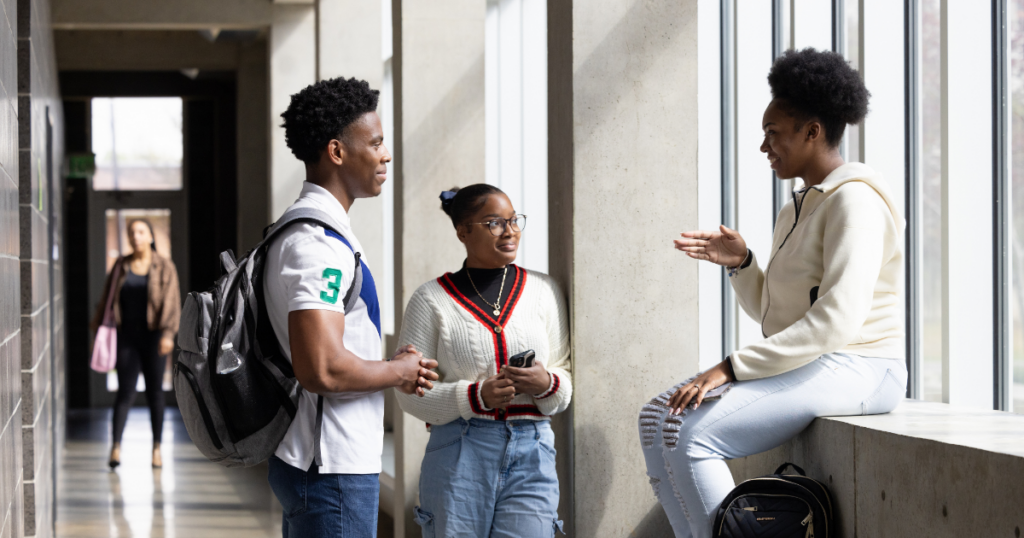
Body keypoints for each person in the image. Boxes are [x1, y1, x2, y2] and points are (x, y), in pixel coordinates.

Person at [638, 48, 906, 538]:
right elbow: (775, 315)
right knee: (655, 416)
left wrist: (728, 367)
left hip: (862, 365)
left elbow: (835, 321)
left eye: (773, 134)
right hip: (821, 361)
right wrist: (742, 263)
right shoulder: (798, 207)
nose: (765, 146)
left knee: (689, 433)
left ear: (812, 131)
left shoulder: (857, 202)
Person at [264, 76, 439, 538]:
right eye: (376, 143)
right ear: (337, 152)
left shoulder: (310, 230)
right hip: (331, 469)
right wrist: (399, 371)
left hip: (317, 462)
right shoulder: (316, 243)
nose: (385, 155)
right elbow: (321, 368)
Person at [395, 184, 572, 538]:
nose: (509, 231)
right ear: (463, 232)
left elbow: (563, 376)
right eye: (494, 223)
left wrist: (547, 384)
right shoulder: (431, 300)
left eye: (513, 220)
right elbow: (408, 393)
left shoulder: (544, 290)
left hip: (532, 452)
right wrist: (475, 397)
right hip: (459, 451)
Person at [91, 219, 180, 469]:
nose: (136, 236)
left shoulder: (164, 266)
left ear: (151, 236)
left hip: (154, 337)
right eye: (132, 232)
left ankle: (157, 449)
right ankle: (116, 448)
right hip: (125, 336)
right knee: (125, 392)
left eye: (141, 231)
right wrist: (97, 330)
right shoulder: (121, 264)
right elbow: (106, 299)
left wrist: (168, 335)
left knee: (155, 393)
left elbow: (172, 302)